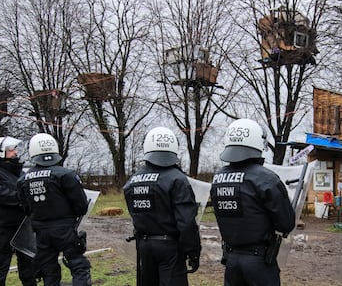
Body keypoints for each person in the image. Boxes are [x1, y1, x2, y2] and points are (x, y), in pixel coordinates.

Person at [210, 118, 295, 286]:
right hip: (259, 262)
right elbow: (286, 224)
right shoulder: (266, 178)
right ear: (258, 143)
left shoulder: (218, 178)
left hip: (231, 260)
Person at [123, 126, 201, 286]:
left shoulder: (133, 180)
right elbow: (186, 222)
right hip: (169, 247)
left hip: (144, 245)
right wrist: (193, 251)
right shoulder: (177, 179)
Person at [17, 133, 92, 286]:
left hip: (41, 232)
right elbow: (81, 205)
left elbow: (25, 208)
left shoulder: (23, 179)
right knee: (79, 267)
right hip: (65, 229)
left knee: (48, 272)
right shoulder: (65, 174)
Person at [0, 136, 36, 286]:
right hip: (4, 228)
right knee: (0, 267)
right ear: (1, 152)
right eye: (11, 150)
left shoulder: (20, 173)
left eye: (14, 150)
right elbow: (2, 195)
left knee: (28, 266)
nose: (15, 153)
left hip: (23, 226)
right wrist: (23, 198)